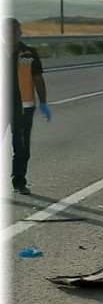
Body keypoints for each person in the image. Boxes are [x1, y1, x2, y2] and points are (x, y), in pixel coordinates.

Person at [4, 19, 48, 195]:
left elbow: (38, 79)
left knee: (21, 147)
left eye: (14, 32)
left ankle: (19, 182)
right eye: (7, 32)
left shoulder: (29, 54)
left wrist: (43, 102)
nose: (10, 35)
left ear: (20, 33)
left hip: (23, 108)